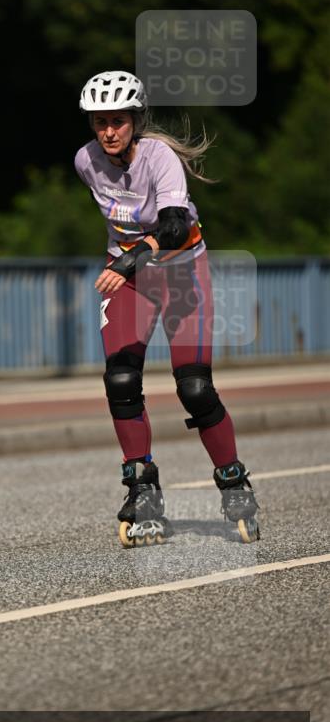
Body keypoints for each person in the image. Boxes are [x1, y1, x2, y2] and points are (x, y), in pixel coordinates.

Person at [74, 70, 260, 546]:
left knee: (195, 387)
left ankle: (234, 482)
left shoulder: (161, 157)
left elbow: (175, 227)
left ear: (136, 120)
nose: (108, 131)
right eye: (99, 122)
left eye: (117, 120)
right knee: (120, 378)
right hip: (131, 275)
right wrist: (130, 261)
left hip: (179, 271)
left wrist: (133, 258)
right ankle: (142, 490)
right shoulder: (85, 161)